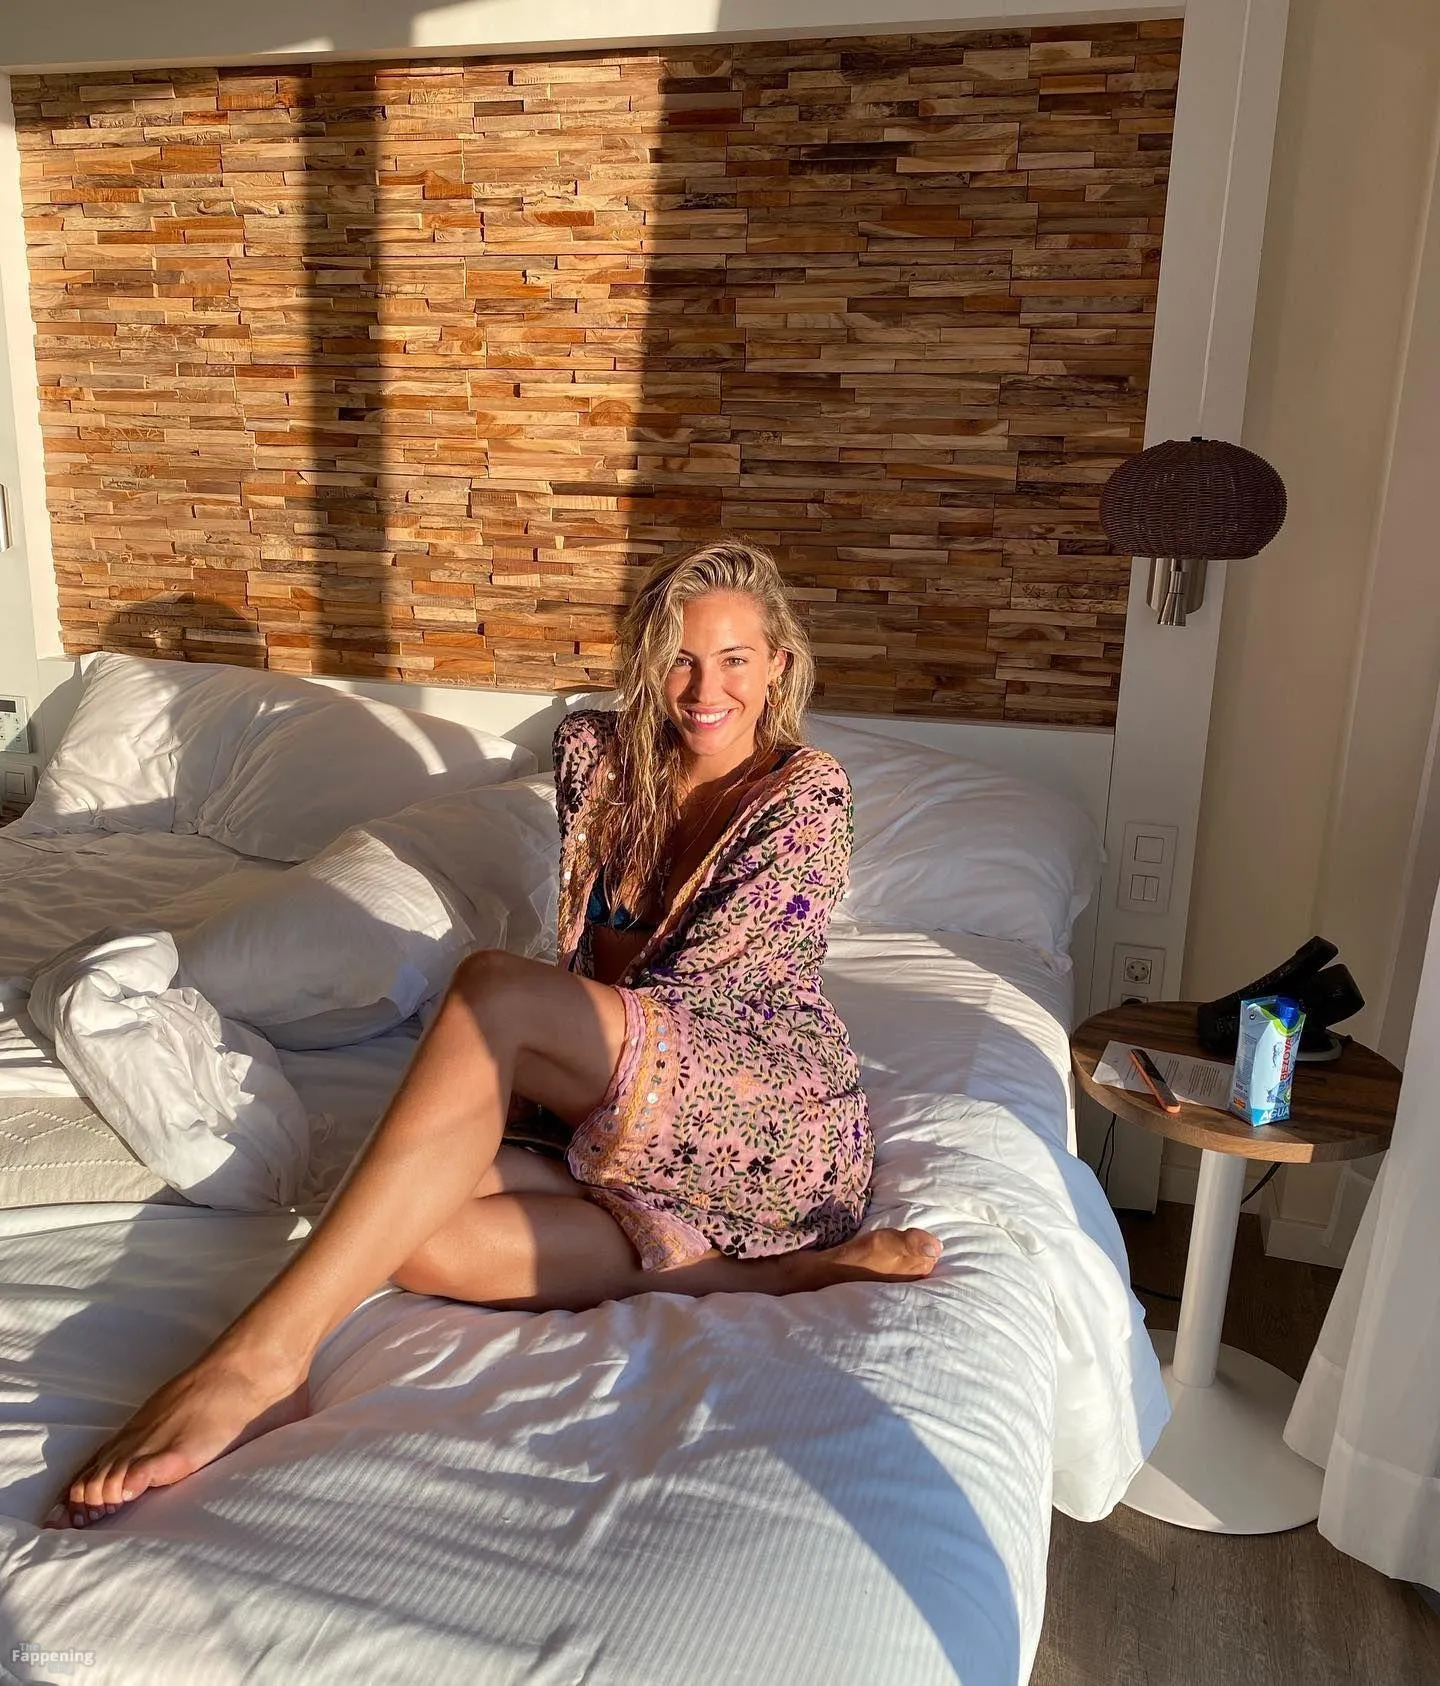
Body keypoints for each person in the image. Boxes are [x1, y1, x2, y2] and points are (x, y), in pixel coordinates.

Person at [46, 540, 941, 1530]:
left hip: (761, 1116)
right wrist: (522, 1086)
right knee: (411, 1236)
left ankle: (262, 1356)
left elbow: (708, 1005)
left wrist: (529, 1052)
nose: (705, 690)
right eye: (681, 659)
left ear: (779, 664)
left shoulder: (806, 795)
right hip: (611, 1111)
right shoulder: (594, 756)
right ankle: (767, 1275)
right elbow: (590, 953)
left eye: (735, 659)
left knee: (492, 991)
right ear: (649, 661)